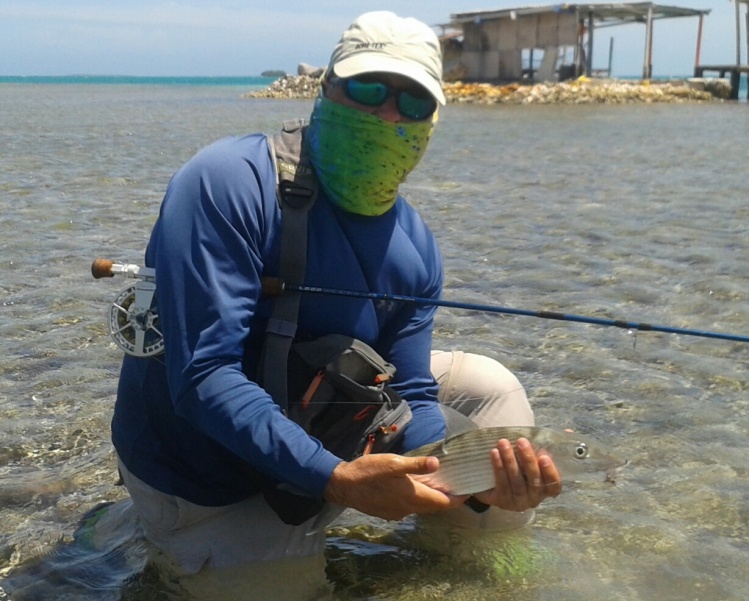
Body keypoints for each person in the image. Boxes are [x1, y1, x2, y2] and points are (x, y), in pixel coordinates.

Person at [111, 10, 561, 599]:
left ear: (433, 121)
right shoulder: (224, 183)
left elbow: (415, 392)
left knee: (492, 392)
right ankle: (142, 527)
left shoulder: (417, 248)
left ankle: (462, 558)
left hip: (328, 424)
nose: (387, 113)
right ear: (326, 87)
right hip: (209, 471)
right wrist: (339, 480)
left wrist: (472, 483)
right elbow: (203, 376)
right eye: (368, 89)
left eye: (413, 102)